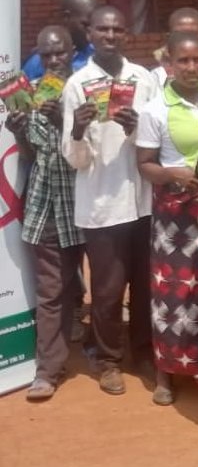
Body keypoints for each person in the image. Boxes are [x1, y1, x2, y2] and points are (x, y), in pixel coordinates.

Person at [62, 6, 159, 395]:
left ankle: (144, 353)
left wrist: (138, 131)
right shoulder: (77, 84)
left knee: (145, 286)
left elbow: (156, 141)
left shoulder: (144, 78)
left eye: (118, 28)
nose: (111, 35)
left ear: (126, 34)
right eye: (103, 29)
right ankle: (107, 360)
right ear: (90, 33)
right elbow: (76, 160)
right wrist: (78, 129)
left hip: (143, 201)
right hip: (102, 203)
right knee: (106, 290)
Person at [135, 31, 198, 405]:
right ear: (167, 64)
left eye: (197, 59)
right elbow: (145, 166)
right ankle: (165, 374)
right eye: (182, 61)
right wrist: (175, 174)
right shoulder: (155, 110)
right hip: (174, 217)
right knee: (172, 294)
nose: (191, 67)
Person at [6, 26, 85, 401]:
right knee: (51, 291)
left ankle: (111, 357)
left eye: (60, 53)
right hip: (48, 206)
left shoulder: (89, 90)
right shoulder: (33, 93)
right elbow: (32, 156)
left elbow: (97, 154)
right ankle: (48, 370)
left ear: (72, 51)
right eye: (46, 54)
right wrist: (20, 133)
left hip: (89, 207)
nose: (54, 60)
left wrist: (62, 124)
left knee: (105, 287)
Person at [23, 0, 99, 81]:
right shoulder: (37, 62)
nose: (90, 31)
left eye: (93, 25)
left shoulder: (98, 55)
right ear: (66, 17)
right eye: (85, 25)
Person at [151, 7, 198, 84]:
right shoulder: (155, 74)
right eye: (179, 34)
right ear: (169, 36)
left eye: (193, 34)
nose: (187, 39)